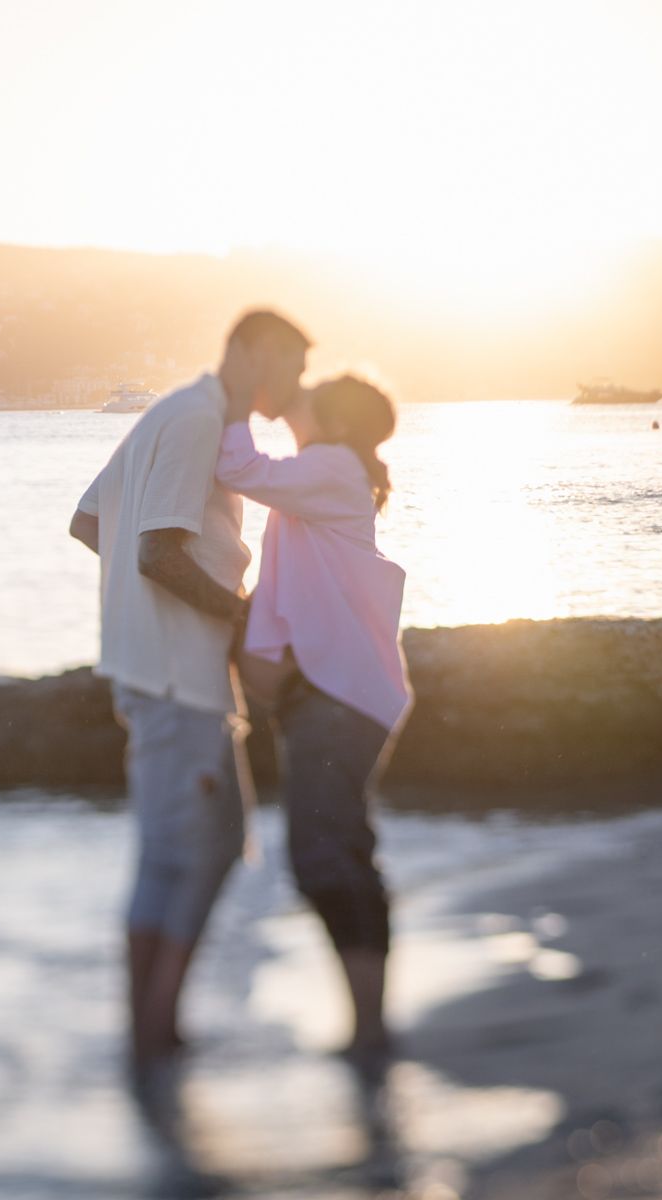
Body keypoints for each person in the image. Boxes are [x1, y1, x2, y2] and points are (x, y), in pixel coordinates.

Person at [68, 310, 310, 1071]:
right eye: (286, 363)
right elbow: (156, 555)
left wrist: (135, 622)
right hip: (176, 679)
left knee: (195, 849)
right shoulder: (198, 418)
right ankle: (151, 1033)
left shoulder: (169, 412)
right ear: (243, 351)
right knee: (190, 855)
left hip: (160, 670)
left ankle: (153, 1027)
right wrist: (241, 621)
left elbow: (88, 521)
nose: (291, 382)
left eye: (299, 370)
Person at [214, 374, 411, 1064]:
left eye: (310, 392)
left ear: (331, 418)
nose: (297, 395)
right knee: (340, 849)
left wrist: (235, 403)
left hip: (341, 697)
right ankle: (370, 1023)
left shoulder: (329, 468)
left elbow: (236, 466)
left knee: (326, 855)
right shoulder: (324, 475)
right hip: (334, 695)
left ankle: (370, 1027)